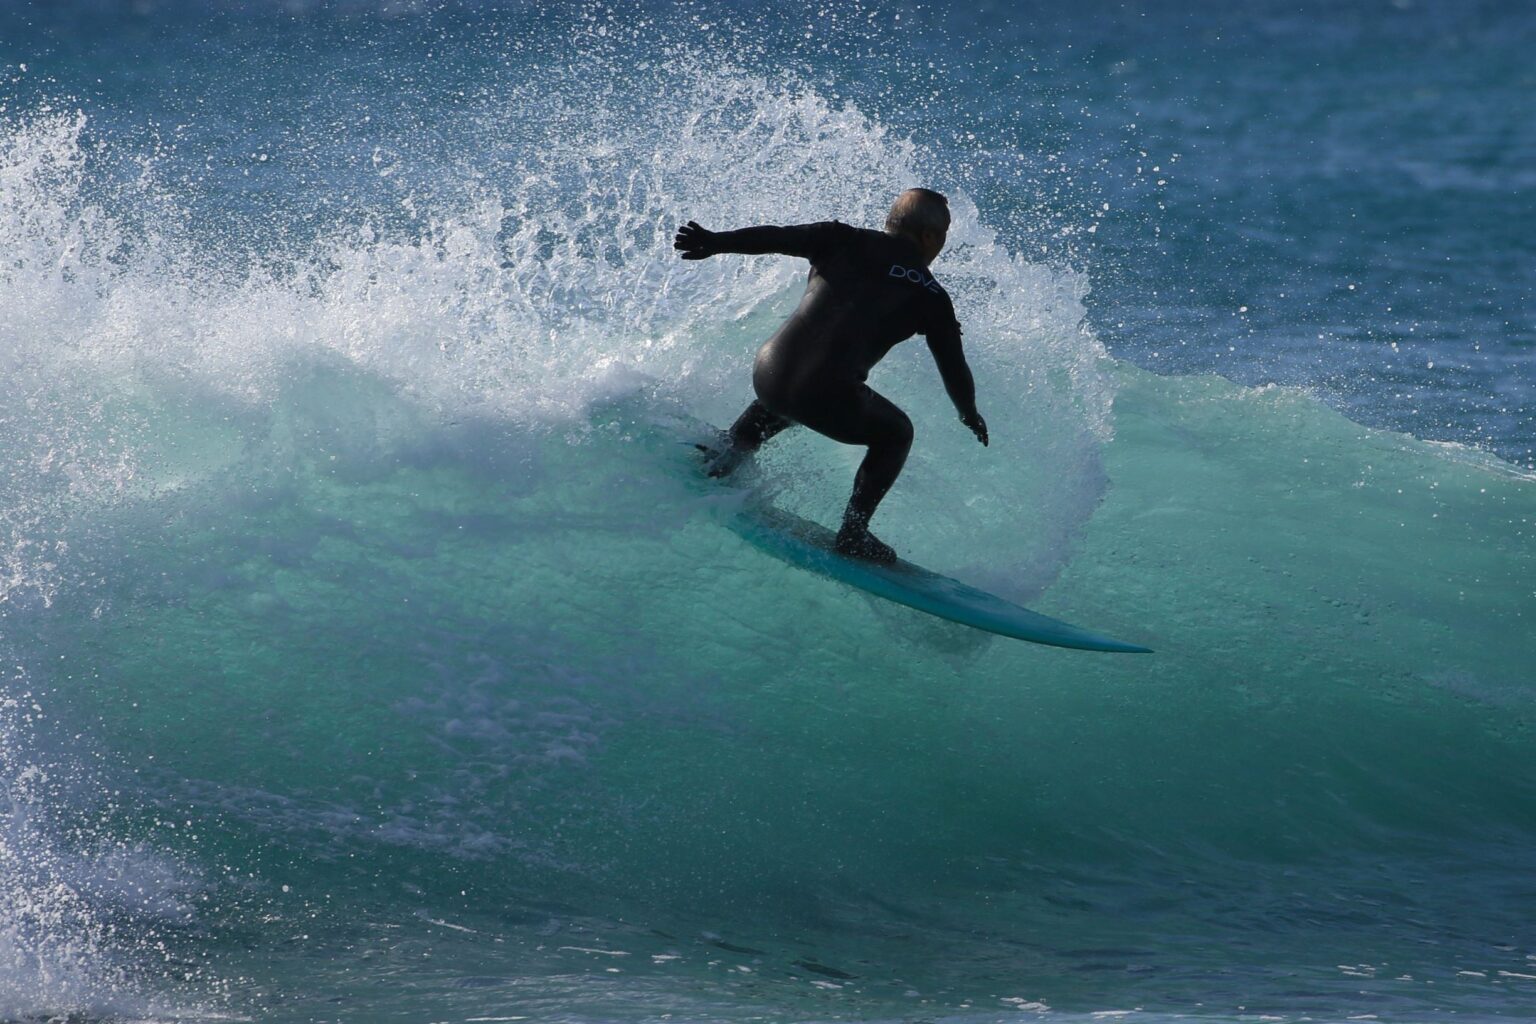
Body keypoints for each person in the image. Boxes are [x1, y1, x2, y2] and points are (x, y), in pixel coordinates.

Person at [673, 188, 988, 564]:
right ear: (930, 236)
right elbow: (953, 368)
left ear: (891, 222)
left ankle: (724, 457)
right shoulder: (932, 296)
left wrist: (714, 242)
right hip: (824, 395)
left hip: (768, 372)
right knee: (897, 433)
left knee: (793, 386)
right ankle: (854, 532)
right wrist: (968, 412)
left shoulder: (842, 238)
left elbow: (775, 237)